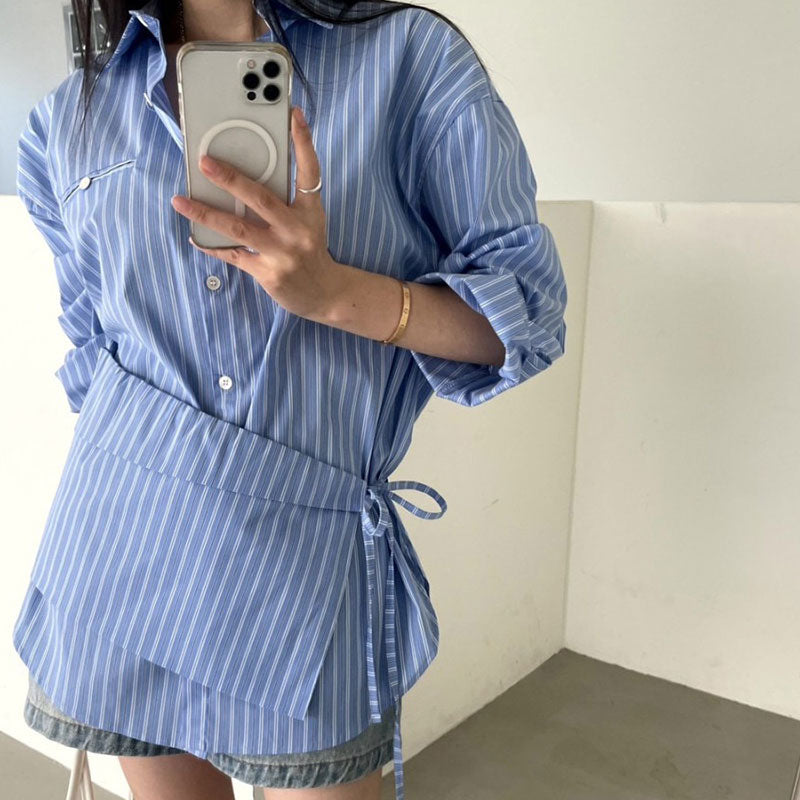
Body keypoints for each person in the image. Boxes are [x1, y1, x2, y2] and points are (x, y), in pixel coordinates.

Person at [12, 0, 568, 798]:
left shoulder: (409, 61)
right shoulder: (67, 119)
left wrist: (338, 294)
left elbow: (528, 316)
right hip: (122, 544)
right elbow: (92, 349)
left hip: (307, 565)